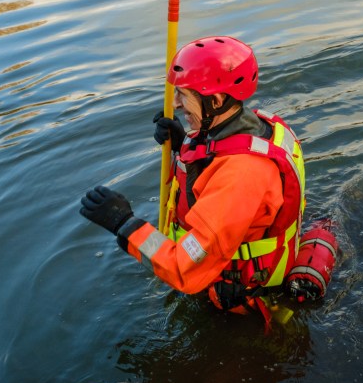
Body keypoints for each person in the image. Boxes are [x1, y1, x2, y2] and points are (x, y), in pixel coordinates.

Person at [79, 36, 308, 327]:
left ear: (215, 101)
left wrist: (123, 223)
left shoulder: (242, 175)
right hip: (235, 274)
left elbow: (185, 269)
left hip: (242, 305)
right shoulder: (263, 126)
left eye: (184, 95)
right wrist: (186, 144)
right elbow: (221, 166)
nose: (175, 104)